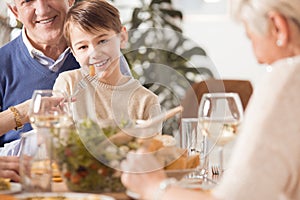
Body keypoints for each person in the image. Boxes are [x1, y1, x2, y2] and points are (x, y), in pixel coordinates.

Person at [121, 0, 300, 199]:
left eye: (251, 38)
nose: (258, 58)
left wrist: (153, 186)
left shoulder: (289, 76)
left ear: (278, 27)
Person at [0, 0, 131, 147]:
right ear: (15, 11)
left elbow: (129, 120)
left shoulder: (103, 56)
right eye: (28, 1)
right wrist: (22, 113)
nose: (42, 10)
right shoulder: (2, 63)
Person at [53, 0, 161, 130]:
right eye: (83, 47)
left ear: (122, 38)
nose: (95, 53)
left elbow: (152, 148)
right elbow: (57, 140)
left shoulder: (146, 101)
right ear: (74, 53)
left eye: (102, 41)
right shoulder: (68, 84)